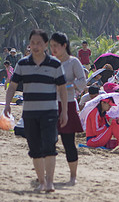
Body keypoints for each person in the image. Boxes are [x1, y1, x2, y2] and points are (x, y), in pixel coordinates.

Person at [4, 29, 70, 193]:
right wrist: (6, 105)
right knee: (35, 149)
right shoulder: (22, 64)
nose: (35, 46)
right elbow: (12, 86)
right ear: (29, 44)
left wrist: (65, 111)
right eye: (32, 42)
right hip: (30, 113)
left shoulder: (54, 64)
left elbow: (62, 89)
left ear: (46, 44)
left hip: (49, 111)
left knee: (49, 147)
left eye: (39, 43)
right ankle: (41, 181)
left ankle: (49, 182)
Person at [50, 32, 86, 185]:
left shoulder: (73, 62)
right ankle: (47, 174)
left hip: (68, 103)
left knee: (68, 142)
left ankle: (73, 176)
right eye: (51, 46)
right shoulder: (50, 62)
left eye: (56, 46)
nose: (53, 49)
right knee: (49, 142)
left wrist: (67, 86)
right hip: (50, 104)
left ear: (64, 46)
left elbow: (83, 81)